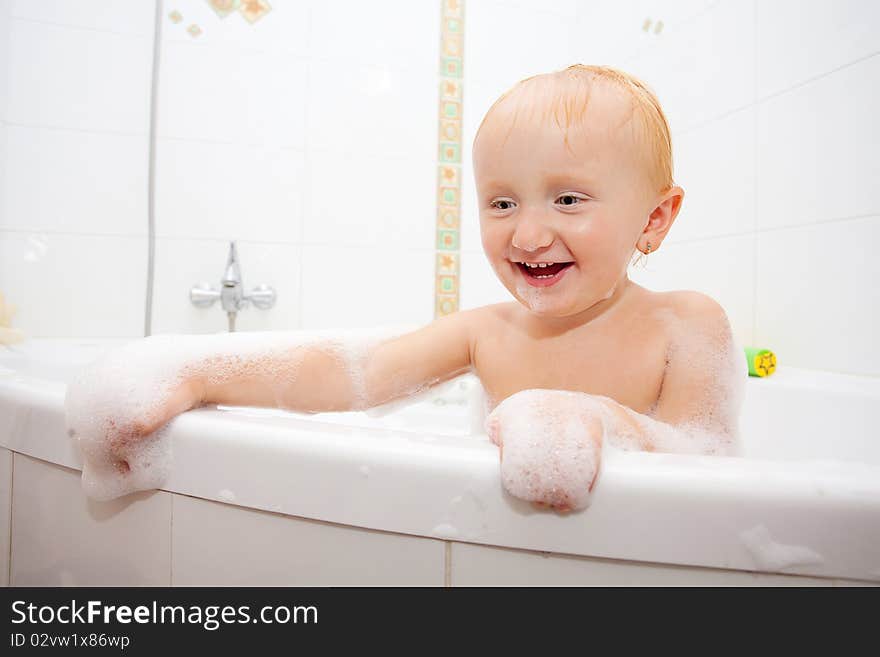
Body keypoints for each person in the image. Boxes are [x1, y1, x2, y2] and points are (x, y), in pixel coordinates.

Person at [65, 64, 746, 510]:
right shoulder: (488, 331)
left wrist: (603, 423)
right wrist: (194, 375)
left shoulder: (685, 325)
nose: (529, 234)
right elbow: (348, 373)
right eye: (502, 203)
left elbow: (710, 462)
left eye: (568, 199)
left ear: (654, 218)